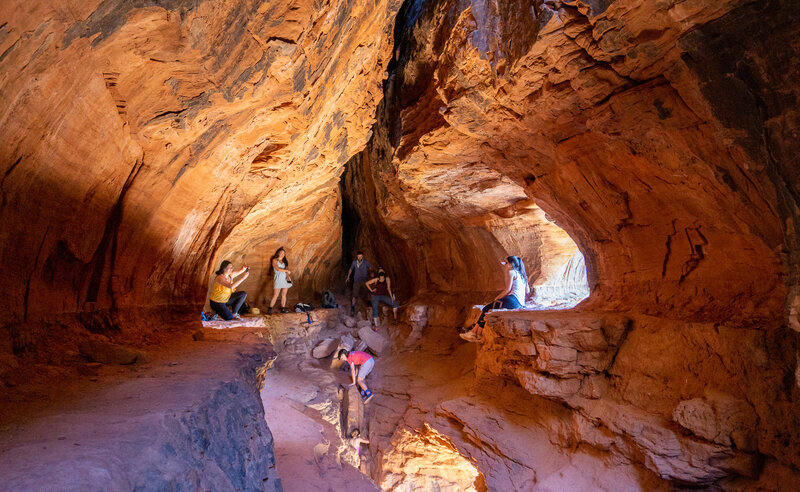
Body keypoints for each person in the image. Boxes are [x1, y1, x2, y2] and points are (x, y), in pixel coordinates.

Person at [460, 256, 529, 342]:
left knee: (486, 308)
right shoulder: (522, 275)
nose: (505, 265)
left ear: (511, 264)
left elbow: (507, 290)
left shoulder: (511, 272)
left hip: (512, 300)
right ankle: (475, 332)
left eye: (506, 263)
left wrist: (497, 298)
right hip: (520, 303)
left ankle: (474, 333)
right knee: (488, 309)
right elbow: (528, 291)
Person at [345, 251, 372, 316]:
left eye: (361, 256)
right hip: (356, 280)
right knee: (354, 294)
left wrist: (371, 274)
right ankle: (353, 307)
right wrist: (348, 277)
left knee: (368, 291)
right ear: (357, 256)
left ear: (362, 256)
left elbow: (370, 268)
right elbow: (351, 269)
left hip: (364, 280)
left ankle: (368, 302)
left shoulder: (366, 262)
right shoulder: (354, 262)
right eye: (358, 256)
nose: (359, 257)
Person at [268, 247, 292, 314]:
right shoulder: (274, 260)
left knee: (284, 295)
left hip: (284, 279)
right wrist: (287, 270)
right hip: (278, 279)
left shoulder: (285, 261)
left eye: (283, 253)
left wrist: (288, 279)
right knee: (275, 295)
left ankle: (283, 308)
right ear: (278, 253)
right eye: (281, 253)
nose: (282, 254)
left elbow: (287, 272)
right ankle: (270, 309)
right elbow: (277, 269)